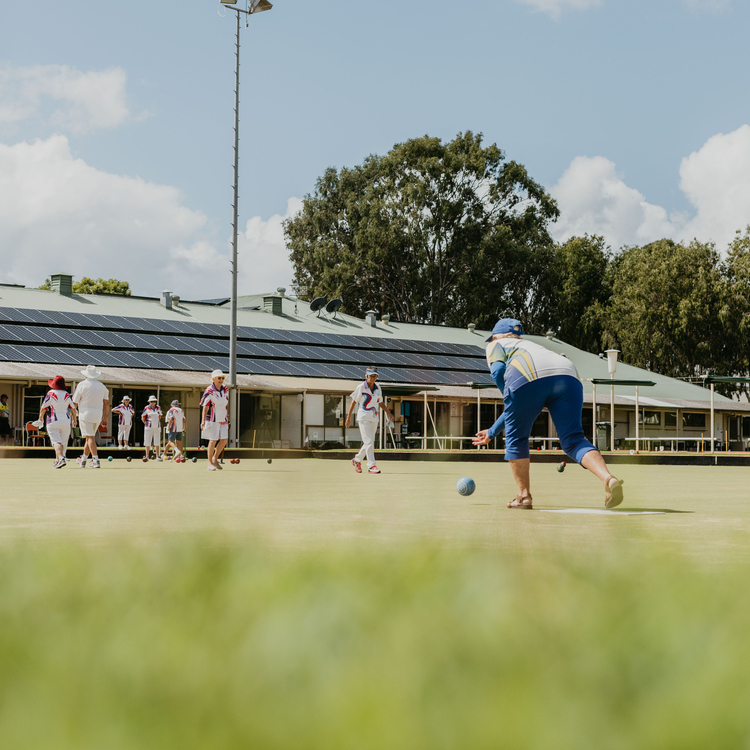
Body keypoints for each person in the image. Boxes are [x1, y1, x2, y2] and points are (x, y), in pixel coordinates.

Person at [472, 318, 624, 509]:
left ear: (496, 335)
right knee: (574, 440)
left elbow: (498, 370)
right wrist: (493, 431)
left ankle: (523, 496)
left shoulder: (496, 344)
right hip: (568, 373)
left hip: (526, 375)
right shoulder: (532, 345)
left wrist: (508, 394)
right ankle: (608, 480)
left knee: (517, 438)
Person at [345, 367, 394, 475]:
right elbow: (353, 402)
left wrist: (388, 413)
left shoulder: (378, 388)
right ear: (366, 376)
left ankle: (356, 460)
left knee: (369, 442)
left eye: (375, 376)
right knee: (369, 442)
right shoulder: (361, 387)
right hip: (363, 418)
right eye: (371, 376)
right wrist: (348, 417)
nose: (373, 378)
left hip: (374, 418)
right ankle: (371, 466)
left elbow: (380, 402)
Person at [72, 365, 110, 469]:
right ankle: (83, 460)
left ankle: (95, 460)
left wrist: (73, 416)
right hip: (97, 415)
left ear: (86, 375)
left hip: (85, 414)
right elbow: (107, 403)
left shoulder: (82, 385)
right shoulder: (102, 386)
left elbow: (74, 403)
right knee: (89, 437)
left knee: (90, 437)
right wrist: (105, 417)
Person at [39, 376, 77, 468]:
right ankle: (57, 461)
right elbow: (73, 408)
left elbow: (43, 407)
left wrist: (40, 418)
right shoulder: (67, 394)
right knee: (62, 443)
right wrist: (74, 420)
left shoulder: (50, 393)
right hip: (66, 421)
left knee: (56, 442)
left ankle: (60, 458)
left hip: (53, 421)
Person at [200, 370, 229, 472]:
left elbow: (226, 403)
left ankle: (215, 459)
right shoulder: (209, 391)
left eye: (222, 378)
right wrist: (203, 421)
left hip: (223, 417)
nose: (221, 380)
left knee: (224, 440)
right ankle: (209, 463)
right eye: (219, 378)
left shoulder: (225, 389)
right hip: (212, 419)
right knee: (213, 440)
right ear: (213, 379)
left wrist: (227, 415)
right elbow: (205, 407)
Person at [142, 396, 163, 460]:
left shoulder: (158, 407)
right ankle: (147, 456)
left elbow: (160, 416)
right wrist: (147, 424)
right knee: (147, 441)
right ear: (149, 402)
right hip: (148, 427)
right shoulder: (146, 408)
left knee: (157, 441)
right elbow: (143, 417)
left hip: (157, 426)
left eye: (154, 401)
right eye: (151, 401)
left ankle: (157, 456)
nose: (153, 403)